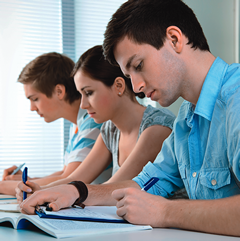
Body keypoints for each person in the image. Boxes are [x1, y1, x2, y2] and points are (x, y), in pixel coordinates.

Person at [18, 0, 240, 236]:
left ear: (174, 39)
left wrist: (164, 212)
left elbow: (159, 206)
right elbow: (146, 182)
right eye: (129, 74)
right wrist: (77, 192)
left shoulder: (235, 99)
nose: (136, 86)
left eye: (139, 65)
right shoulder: (186, 118)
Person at [15, 45, 175, 197]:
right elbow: (77, 178)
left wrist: (49, 193)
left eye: (89, 92)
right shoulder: (109, 130)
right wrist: (38, 190)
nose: (83, 104)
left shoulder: (156, 127)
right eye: (81, 94)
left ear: (119, 86)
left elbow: (111, 188)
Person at [0, 52, 108, 195]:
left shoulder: (93, 123)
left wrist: (3, 187)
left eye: (35, 99)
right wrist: (26, 180)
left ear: (59, 91)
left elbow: (68, 179)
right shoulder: (76, 125)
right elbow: (64, 172)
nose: (32, 108)